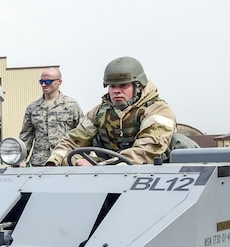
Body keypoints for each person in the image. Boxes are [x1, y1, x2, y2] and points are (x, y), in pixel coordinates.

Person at [46, 57, 175, 166]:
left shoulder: (158, 110)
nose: (116, 91)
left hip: (149, 174)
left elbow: (146, 151)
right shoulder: (99, 112)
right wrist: (53, 162)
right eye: (112, 86)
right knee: (71, 159)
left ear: (138, 86)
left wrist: (99, 167)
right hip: (109, 170)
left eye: (123, 85)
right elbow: (73, 140)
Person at [18, 67, 82, 166]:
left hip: (65, 162)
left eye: (48, 81)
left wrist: (82, 157)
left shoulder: (71, 105)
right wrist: (21, 159)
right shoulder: (33, 108)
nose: (44, 85)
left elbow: (82, 133)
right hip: (40, 164)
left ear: (59, 82)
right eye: (41, 81)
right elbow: (26, 137)